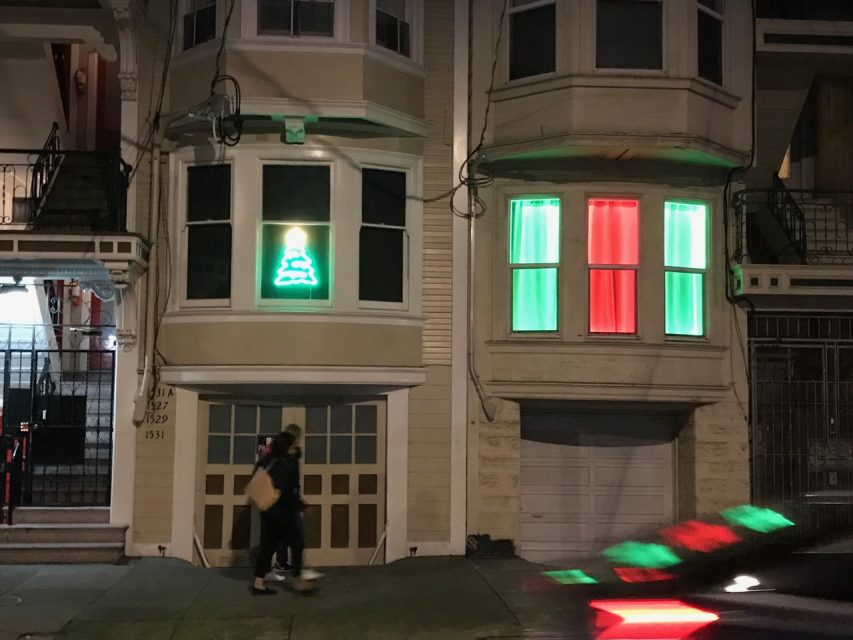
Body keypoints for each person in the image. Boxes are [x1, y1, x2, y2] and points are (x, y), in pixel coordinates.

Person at [251, 432, 310, 594]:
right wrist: (299, 504)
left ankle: (258, 583)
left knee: (268, 547)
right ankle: (297, 579)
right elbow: (287, 490)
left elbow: (258, 480)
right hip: (284, 513)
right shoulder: (286, 464)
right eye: (292, 445)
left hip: (268, 512)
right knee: (297, 542)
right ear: (287, 447)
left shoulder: (265, 461)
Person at [266, 423, 323, 582]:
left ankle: (281, 565)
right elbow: (288, 483)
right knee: (296, 538)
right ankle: (296, 573)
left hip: (278, 501)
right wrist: (298, 502)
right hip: (284, 502)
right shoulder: (287, 458)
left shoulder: (283, 454)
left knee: (281, 536)